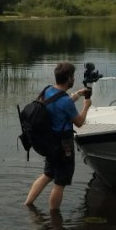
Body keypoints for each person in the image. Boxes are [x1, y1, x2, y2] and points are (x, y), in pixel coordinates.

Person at [24, 61, 91, 210]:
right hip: (63, 145)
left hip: (48, 143)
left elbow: (56, 105)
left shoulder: (47, 90)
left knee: (47, 175)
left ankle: (28, 204)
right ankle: (55, 219)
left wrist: (77, 95)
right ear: (68, 78)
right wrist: (86, 106)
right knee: (60, 183)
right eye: (73, 76)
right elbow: (79, 122)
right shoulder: (66, 102)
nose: (74, 79)